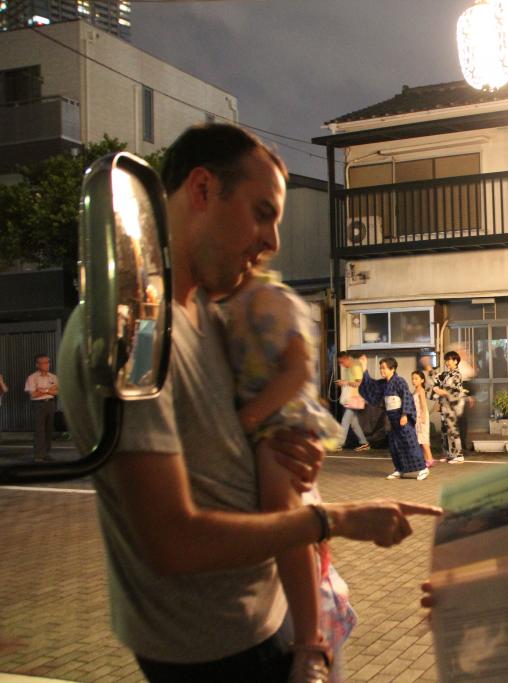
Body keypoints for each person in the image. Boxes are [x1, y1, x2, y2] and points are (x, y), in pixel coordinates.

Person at [60, 123, 441, 683]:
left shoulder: (214, 319)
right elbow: (170, 540)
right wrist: (331, 519)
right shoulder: (131, 333)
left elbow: (231, 437)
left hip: (269, 619)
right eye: (262, 212)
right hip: (213, 650)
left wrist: (284, 450)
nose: (274, 242)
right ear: (202, 189)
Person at [222, 264, 354, 679]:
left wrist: (245, 420)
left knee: (286, 517)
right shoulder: (218, 305)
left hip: (282, 421)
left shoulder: (269, 299)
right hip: (268, 419)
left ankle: (309, 642)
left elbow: (298, 369)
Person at [359, 357, 429, 480]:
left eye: (384, 368)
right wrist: (364, 368)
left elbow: (407, 397)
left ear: (392, 369)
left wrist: (404, 415)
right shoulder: (383, 384)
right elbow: (370, 385)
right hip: (391, 419)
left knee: (410, 443)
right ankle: (399, 469)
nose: (382, 370)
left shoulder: (400, 381)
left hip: (402, 417)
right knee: (394, 445)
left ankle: (423, 468)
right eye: (381, 368)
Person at [432, 351, 467, 464]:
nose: (447, 362)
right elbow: (436, 380)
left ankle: (459, 454)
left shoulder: (457, 375)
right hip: (444, 405)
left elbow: (454, 391)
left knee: (453, 430)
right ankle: (449, 454)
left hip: (452, 406)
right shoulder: (446, 374)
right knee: (445, 431)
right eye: (446, 360)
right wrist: (438, 395)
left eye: (449, 360)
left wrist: (440, 391)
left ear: (456, 361)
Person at [333, 351, 370, 452]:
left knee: (345, 420)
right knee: (354, 423)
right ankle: (364, 443)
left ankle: (340, 444)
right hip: (351, 399)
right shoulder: (349, 368)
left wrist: (345, 382)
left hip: (355, 398)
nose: (341, 364)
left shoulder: (355, 367)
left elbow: (358, 383)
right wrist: (344, 383)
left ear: (346, 358)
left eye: (341, 362)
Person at [24, 353, 58, 462]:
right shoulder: (32, 377)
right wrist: (48, 390)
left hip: (51, 404)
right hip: (38, 405)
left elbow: (57, 391)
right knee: (39, 430)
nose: (47, 364)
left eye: (48, 362)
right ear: (37, 365)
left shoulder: (53, 377)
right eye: (44, 363)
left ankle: (46, 453)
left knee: (49, 430)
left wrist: (41, 390)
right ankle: (38, 456)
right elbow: (33, 394)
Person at [411, 370, 436, 468]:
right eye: (413, 379)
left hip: (421, 416)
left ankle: (430, 459)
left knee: (424, 439)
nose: (414, 381)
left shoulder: (421, 390)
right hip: (417, 416)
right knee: (420, 439)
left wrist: (423, 418)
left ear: (422, 380)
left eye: (416, 379)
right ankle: (426, 459)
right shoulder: (415, 390)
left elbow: (423, 405)